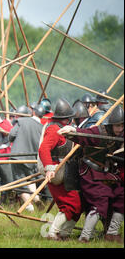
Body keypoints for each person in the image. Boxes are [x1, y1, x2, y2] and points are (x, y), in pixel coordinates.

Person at [58, 105, 124, 243]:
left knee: (120, 197)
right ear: (111, 125)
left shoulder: (122, 134)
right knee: (100, 202)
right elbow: (84, 135)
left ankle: (111, 233)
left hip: (109, 174)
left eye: (122, 125)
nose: (120, 129)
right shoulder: (99, 132)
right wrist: (73, 130)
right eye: (117, 126)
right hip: (91, 173)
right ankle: (85, 237)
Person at [37, 98, 82, 240]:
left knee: (77, 206)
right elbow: (44, 149)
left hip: (66, 171)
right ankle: (52, 233)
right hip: (57, 172)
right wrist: (50, 169)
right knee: (70, 205)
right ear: (66, 118)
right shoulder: (53, 129)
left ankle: (64, 234)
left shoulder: (61, 128)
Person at [9, 104, 44, 212]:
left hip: (18, 156)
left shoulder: (20, 122)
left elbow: (11, 135)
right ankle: (36, 198)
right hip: (31, 158)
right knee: (31, 179)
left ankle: (29, 207)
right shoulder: (40, 126)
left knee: (19, 183)